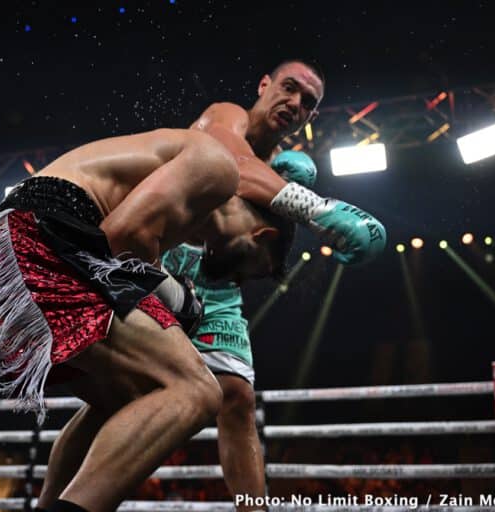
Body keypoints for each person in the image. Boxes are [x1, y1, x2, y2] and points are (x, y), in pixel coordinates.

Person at [0, 127, 296, 512]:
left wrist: (170, 293)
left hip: (10, 247)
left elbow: (120, 250)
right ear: (263, 235)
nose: (239, 280)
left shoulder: (189, 209)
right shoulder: (218, 169)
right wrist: (175, 294)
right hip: (41, 240)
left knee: (129, 398)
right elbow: (118, 239)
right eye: (254, 270)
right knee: (199, 389)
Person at [163, 59, 384, 511]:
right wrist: (318, 209)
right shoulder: (227, 116)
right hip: (162, 265)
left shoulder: (282, 171)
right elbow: (229, 166)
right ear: (264, 85)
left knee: (238, 398)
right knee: (116, 399)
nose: (295, 103)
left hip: (218, 287)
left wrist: (288, 219)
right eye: (289, 89)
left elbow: (264, 265)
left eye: (308, 103)